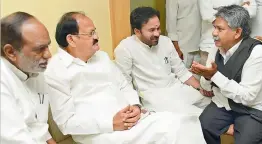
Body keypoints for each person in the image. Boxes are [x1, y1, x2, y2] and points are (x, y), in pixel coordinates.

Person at [44, 11, 206, 144]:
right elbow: (66, 123)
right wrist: (111, 123)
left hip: (133, 121)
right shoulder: (56, 70)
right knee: (172, 131)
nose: (97, 36)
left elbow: (124, 85)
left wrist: (135, 105)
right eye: (91, 33)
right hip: (102, 133)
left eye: (95, 31)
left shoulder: (102, 57)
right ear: (71, 39)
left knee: (184, 122)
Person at [114, 7, 211, 113]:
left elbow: (181, 72)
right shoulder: (125, 48)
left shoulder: (166, 41)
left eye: (158, 28)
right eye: (151, 30)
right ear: (137, 31)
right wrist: (136, 105)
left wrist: (201, 89)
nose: (157, 33)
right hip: (155, 97)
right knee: (195, 115)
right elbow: (124, 83)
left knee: (214, 104)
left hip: (176, 88)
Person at [191, 5, 262, 144]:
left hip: (251, 109)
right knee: (202, 127)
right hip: (223, 104)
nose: (214, 33)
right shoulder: (215, 48)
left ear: (237, 32)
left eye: (220, 29)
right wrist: (206, 76)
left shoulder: (256, 53)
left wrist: (214, 75)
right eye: (214, 27)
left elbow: (248, 97)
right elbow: (206, 88)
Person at [1, 12, 55, 144]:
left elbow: (38, 125)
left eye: (47, 46)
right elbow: (16, 139)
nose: (49, 55)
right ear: (11, 52)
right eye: (40, 49)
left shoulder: (36, 69)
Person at [198, 0, 257, 65]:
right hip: (209, 45)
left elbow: (252, 10)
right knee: (207, 72)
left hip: (235, 47)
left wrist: (219, 9)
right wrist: (239, 9)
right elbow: (207, 15)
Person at [166, 0, 202, 68]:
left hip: (199, 48)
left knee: (196, 77)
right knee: (181, 76)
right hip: (182, 48)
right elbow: (171, 26)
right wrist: (177, 49)